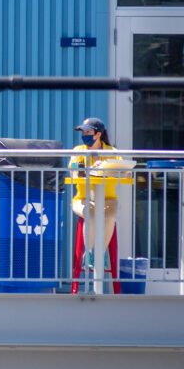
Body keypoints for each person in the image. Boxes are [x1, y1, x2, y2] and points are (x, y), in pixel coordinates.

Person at [68, 117, 133, 294]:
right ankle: (89, 253)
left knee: (110, 215)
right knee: (92, 213)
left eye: (88, 132)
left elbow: (126, 171)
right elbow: (73, 172)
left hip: (108, 198)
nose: (85, 135)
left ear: (98, 134)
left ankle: (99, 254)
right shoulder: (78, 151)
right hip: (82, 199)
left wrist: (119, 169)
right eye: (83, 132)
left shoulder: (111, 151)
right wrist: (87, 170)